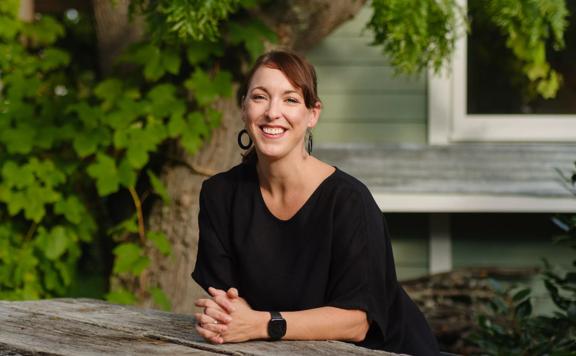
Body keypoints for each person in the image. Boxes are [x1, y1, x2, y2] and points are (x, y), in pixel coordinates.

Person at [191, 50, 439, 355]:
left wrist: (264, 324)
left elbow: (356, 322)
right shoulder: (219, 195)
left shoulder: (350, 202)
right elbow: (229, 304)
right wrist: (236, 318)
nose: (272, 112)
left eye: (290, 99)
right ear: (244, 108)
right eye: (260, 97)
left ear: (313, 114)